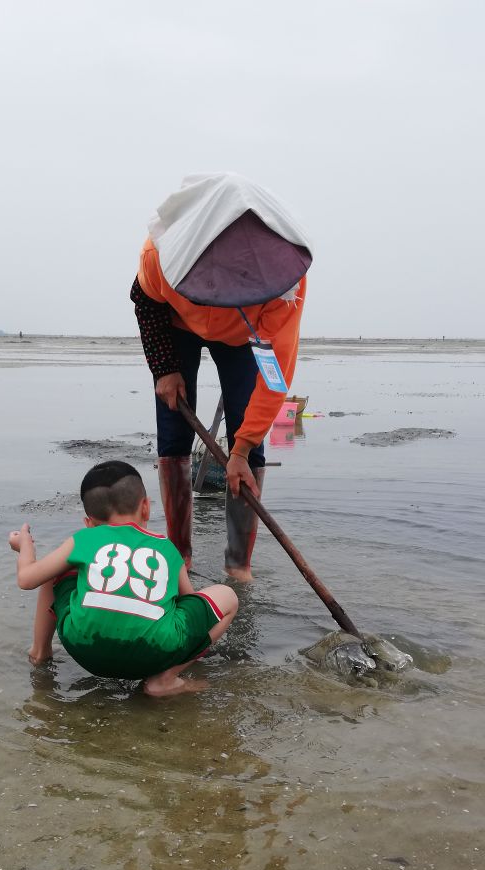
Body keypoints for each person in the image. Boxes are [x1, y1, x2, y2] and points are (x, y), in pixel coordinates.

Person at [131, 173, 310, 581]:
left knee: (251, 438)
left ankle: (238, 567)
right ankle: (180, 557)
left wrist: (242, 450)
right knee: (173, 432)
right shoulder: (159, 253)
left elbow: (275, 374)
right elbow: (146, 302)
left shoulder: (286, 284)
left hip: (244, 337)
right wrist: (165, 369)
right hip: (177, 326)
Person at [8, 460, 238, 697]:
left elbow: (26, 579)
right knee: (227, 597)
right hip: (155, 652)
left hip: (84, 648)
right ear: (146, 507)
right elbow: (190, 603)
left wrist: (25, 544)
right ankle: (165, 679)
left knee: (54, 570)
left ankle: (40, 652)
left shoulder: (84, 538)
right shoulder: (166, 547)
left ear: (89, 523)